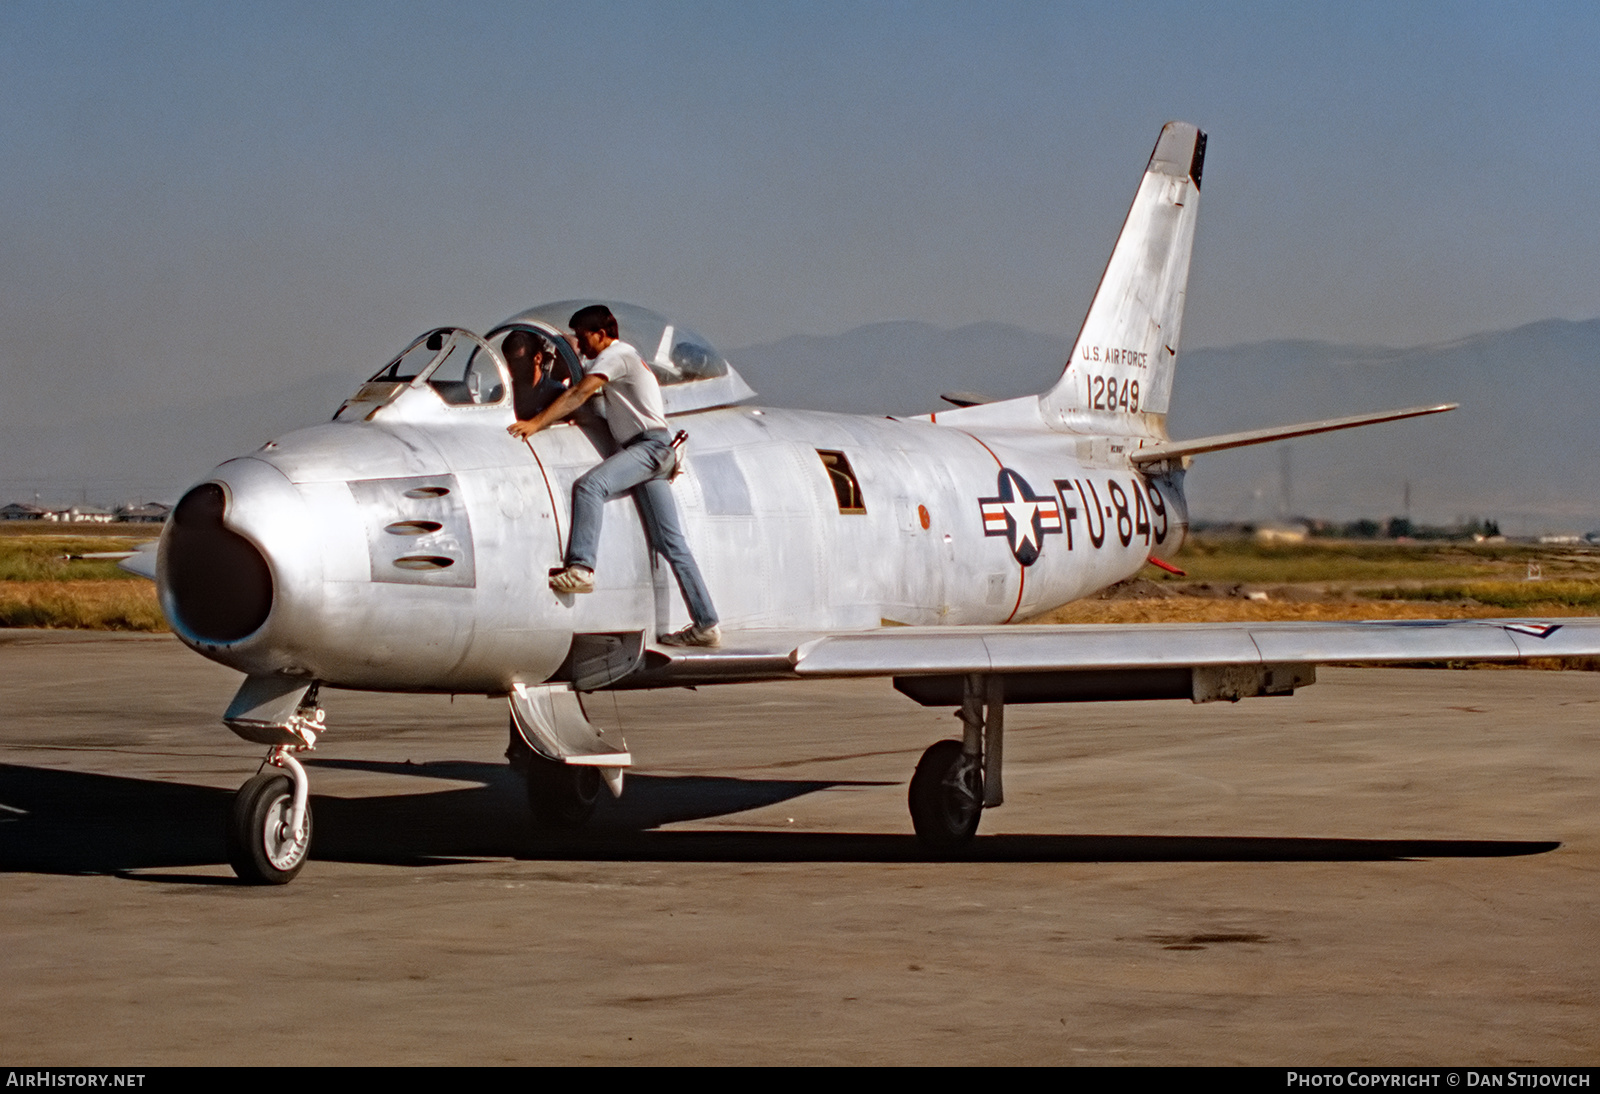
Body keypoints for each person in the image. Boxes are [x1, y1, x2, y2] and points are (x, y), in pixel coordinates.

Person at [507, 304, 721, 648]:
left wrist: (535, 423)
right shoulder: (622, 358)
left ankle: (581, 569)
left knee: (590, 487)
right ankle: (706, 623)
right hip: (656, 449)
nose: (579, 344)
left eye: (582, 337)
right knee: (672, 543)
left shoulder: (617, 357)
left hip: (647, 449)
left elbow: (579, 392)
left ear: (602, 335)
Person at [502, 329, 567, 421]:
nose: (512, 367)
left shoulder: (557, 393)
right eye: (509, 361)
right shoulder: (502, 395)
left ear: (538, 358)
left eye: (519, 361)